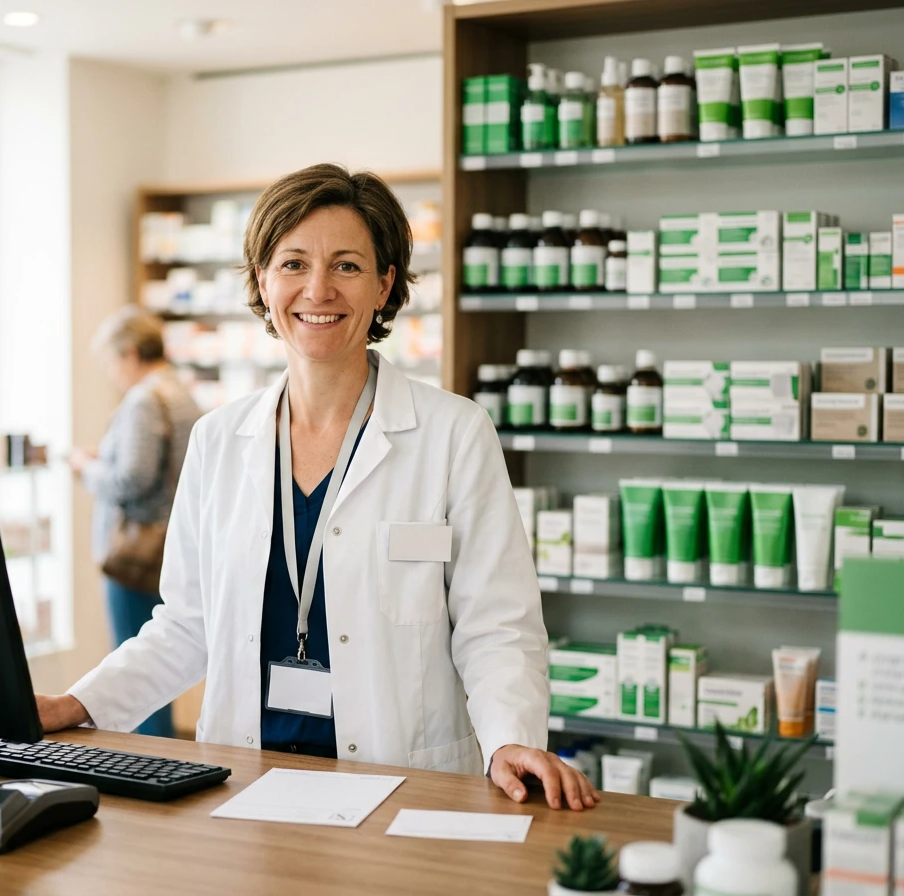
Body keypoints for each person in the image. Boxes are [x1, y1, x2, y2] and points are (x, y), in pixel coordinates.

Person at [42, 164, 597, 811]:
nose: (319, 289)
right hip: (242, 781)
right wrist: (78, 702)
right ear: (261, 281)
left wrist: (509, 740)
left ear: (386, 284)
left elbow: (497, 627)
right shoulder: (220, 440)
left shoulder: (454, 434)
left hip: (402, 785)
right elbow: (186, 626)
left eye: (348, 266)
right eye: (293, 263)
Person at [67, 306, 201, 739]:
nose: (112, 374)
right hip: (169, 548)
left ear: (128, 353)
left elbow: (132, 478)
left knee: (138, 670)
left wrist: (84, 468)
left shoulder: (145, 398)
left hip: (137, 553)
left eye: (110, 362)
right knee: (157, 668)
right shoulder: (180, 392)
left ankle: (150, 763)